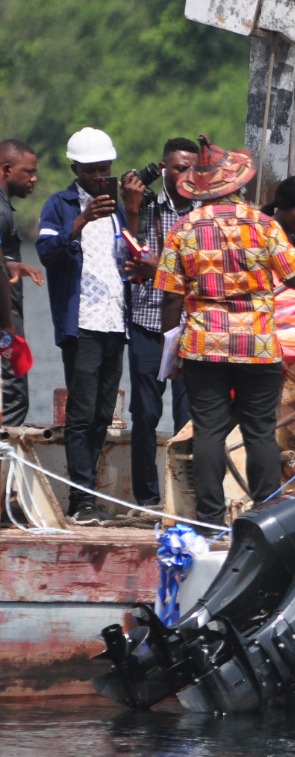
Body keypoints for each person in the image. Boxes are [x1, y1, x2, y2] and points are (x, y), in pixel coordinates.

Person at [155, 136, 295, 529]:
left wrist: (172, 351)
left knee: (209, 433)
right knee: (259, 432)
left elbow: (170, 298)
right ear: (238, 185)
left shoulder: (184, 228)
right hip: (257, 344)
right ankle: (266, 517)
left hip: (203, 345)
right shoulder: (264, 225)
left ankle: (209, 519)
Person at [38, 127, 138, 524]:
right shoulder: (59, 205)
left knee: (100, 413)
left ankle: (88, 495)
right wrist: (79, 222)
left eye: (105, 169)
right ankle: (81, 501)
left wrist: (129, 214)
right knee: (80, 415)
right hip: (82, 324)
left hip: (115, 321)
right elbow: (47, 252)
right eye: (93, 170)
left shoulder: (119, 208)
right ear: (75, 168)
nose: (100, 177)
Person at [123, 136, 198, 511]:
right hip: (148, 321)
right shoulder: (149, 207)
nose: (188, 175)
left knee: (189, 416)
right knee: (145, 414)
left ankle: (184, 499)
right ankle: (148, 500)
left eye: (193, 168)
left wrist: (163, 269)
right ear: (165, 169)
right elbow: (130, 258)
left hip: (192, 325)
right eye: (180, 168)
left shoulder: (204, 211)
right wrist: (133, 210)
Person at [0, 139, 41, 425]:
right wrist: (8, 328)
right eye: (28, 172)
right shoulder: (1, 212)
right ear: (6, 169)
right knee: (13, 397)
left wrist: (13, 264)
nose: (34, 178)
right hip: (4, 322)